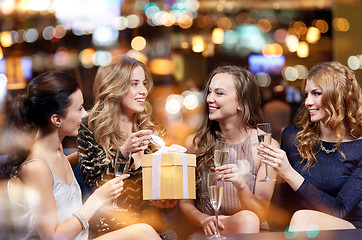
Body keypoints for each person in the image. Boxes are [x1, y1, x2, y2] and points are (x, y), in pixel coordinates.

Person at [5, 71, 161, 240]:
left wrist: (122, 149)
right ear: (57, 120)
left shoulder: (57, 152)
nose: (85, 115)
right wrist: (96, 200)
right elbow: (52, 237)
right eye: (79, 109)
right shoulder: (36, 168)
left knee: (144, 230)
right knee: (143, 233)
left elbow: (86, 158)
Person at [77, 56, 177, 237]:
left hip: (152, 230)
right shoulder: (90, 130)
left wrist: (167, 200)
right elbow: (96, 186)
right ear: (114, 87)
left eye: (144, 84)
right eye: (134, 84)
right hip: (110, 231)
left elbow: (165, 204)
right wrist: (124, 154)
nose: (143, 91)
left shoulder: (155, 134)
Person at [258, 61, 362, 231]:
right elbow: (286, 197)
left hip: (347, 227)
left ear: (338, 95)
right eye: (306, 94)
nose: (307, 102)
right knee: (299, 218)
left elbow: (339, 209)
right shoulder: (294, 136)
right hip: (302, 229)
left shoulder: (359, 147)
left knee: (302, 216)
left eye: (316, 93)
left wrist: (289, 173)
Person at [179, 65, 279, 236]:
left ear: (242, 102)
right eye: (209, 92)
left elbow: (261, 214)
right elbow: (185, 204)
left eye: (219, 93)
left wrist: (241, 185)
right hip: (209, 231)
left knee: (248, 219)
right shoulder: (197, 144)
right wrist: (203, 219)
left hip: (250, 232)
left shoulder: (265, 146)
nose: (210, 98)